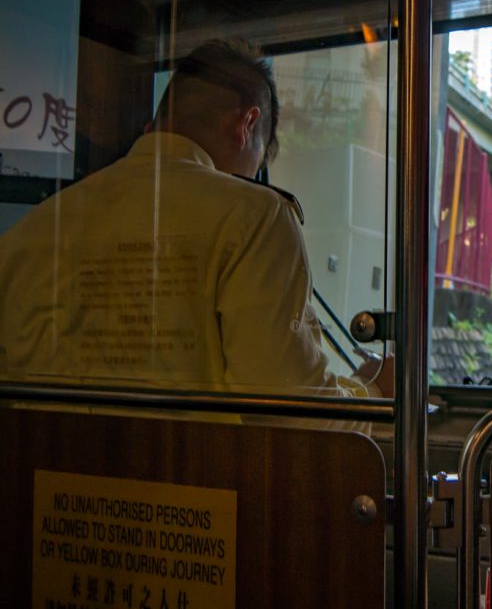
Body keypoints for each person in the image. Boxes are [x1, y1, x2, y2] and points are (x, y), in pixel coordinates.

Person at [0, 39, 392, 399]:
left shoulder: (30, 231)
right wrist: (372, 392)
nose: (250, 180)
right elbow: (290, 413)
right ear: (245, 125)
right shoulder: (257, 217)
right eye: (257, 166)